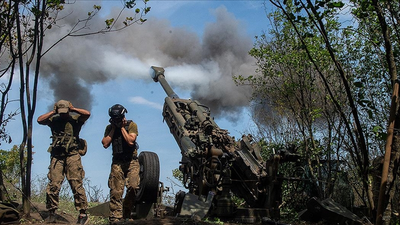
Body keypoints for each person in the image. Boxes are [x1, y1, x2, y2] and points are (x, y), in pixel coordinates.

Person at [37, 100, 90, 224]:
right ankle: (51, 213)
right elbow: (40, 120)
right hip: (57, 156)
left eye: (65, 112)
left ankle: (82, 214)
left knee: (76, 184)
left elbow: (87, 114)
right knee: (54, 185)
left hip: (72, 155)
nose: (63, 114)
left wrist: (73, 109)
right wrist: (53, 112)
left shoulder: (75, 119)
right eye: (60, 112)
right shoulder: (54, 120)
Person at [102, 104, 139, 225]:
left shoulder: (131, 125)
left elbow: (130, 141)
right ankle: (115, 218)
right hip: (117, 162)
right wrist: (113, 129)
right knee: (116, 191)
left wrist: (122, 128)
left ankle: (127, 211)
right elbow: (105, 143)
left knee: (133, 186)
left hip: (131, 161)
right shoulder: (109, 128)